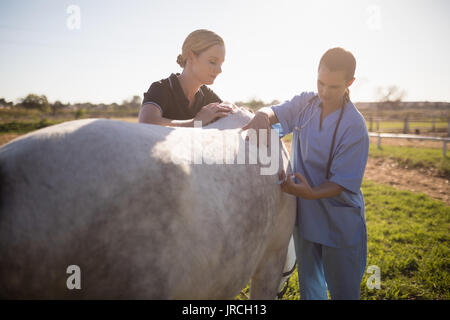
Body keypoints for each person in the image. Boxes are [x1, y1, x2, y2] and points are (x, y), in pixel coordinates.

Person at [242, 47, 369, 300]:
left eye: (333, 87)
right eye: (320, 83)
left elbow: (341, 183)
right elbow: (275, 112)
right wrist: (260, 114)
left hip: (340, 222)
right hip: (307, 218)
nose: (324, 92)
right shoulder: (305, 103)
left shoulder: (355, 127)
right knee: (311, 291)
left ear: (350, 83)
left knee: (344, 293)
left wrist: (310, 192)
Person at [138, 29, 233, 127]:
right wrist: (195, 123)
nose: (219, 70)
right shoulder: (161, 88)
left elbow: (233, 117)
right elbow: (146, 122)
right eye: (213, 62)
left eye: (221, 64)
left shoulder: (207, 96)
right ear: (191, 56)